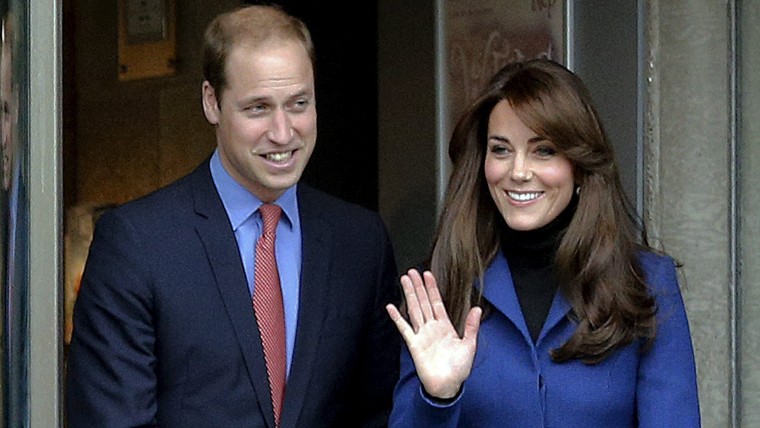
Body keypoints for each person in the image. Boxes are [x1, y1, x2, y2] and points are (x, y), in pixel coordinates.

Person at [65, 5, 400, 427]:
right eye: (258, 108)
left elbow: (381, 410)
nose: (283, 132)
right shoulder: (136, 243)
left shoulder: (360, 241)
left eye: (298, 103)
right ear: (211, 102)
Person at [385, 58, 700, 427]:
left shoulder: (645, 282)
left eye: (544, 150)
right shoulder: (440, 286)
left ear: (579, 164)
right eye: (501, 150)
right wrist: (439, 397)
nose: (518, 172)